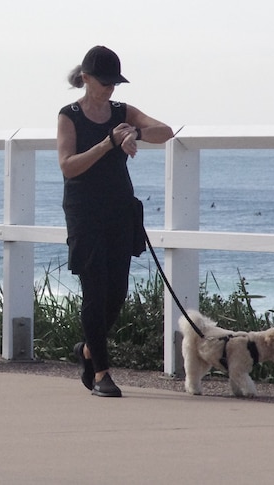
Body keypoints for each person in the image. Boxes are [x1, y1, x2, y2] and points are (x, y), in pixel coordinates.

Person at [57, 46, 174, 397]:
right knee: (94, 291)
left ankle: (88, 350)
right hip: (84, 211)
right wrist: (108, 143)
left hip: (120, 208)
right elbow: (68, 165)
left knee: (117, 293)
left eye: (114, 83)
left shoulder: (122, 112)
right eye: (103, 82)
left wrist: (133, 134)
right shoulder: (70, 115)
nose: (109, 89)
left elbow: (165, 130)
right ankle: (101, 374)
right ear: (86, 79)